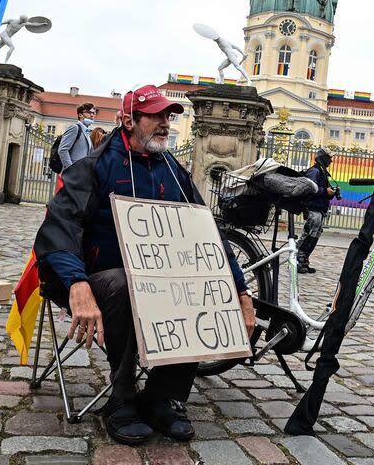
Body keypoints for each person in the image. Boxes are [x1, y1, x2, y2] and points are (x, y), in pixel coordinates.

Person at [33, 85, 255, 446]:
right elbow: (59, 229)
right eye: (154, 115)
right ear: (128, 120)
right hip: (93, 279)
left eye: (167, 116)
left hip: (155, 281)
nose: (164, 123)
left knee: (196, 285)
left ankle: (160, 396)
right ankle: (121, 399)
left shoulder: (175, 173)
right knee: (125, 284)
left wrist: (241, 290)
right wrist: (77, 283)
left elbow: (207, 233)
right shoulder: (92, 167)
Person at [298, 147, 337, 274]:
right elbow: (310, 189)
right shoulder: (315, 171)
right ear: (324, 158)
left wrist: (330, 193)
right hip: (313, 208)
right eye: (329, 158)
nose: (331, 161)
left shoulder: (322, 171)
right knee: (308, 234)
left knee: (315, 235)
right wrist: (325, 191)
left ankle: (304, 260)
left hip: (320, 209)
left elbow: (320, 190)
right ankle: (297, 261)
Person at [58, 103, 95, 171]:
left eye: (93, 113)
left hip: (82, 173)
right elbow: (63, 149)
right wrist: (71, 170)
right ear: (80, 115)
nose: (92, 115)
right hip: (73, 175)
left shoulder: (87, 132)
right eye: (89, 112)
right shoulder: (75, 128)